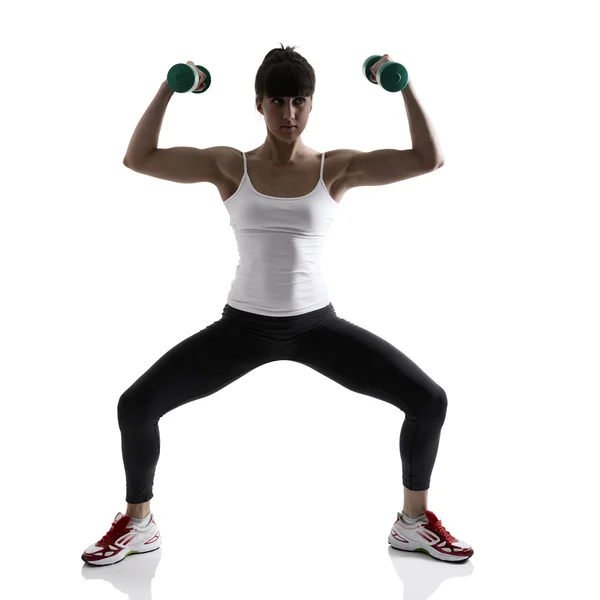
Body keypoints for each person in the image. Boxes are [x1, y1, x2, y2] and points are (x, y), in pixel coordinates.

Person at [82, 44, 473, 566]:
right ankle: (139, 524)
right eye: (278, 101)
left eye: (299, 101)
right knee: (136, 406)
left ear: (311, 105)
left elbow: (429, 158)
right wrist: (173, 86)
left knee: (429, 400)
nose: (289, 114)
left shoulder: (337, 168)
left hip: (317, 328)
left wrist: (397, 81)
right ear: (259, 104)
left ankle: (414, 522)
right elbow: (140, 158)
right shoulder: (230, 166)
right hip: (241, 329)